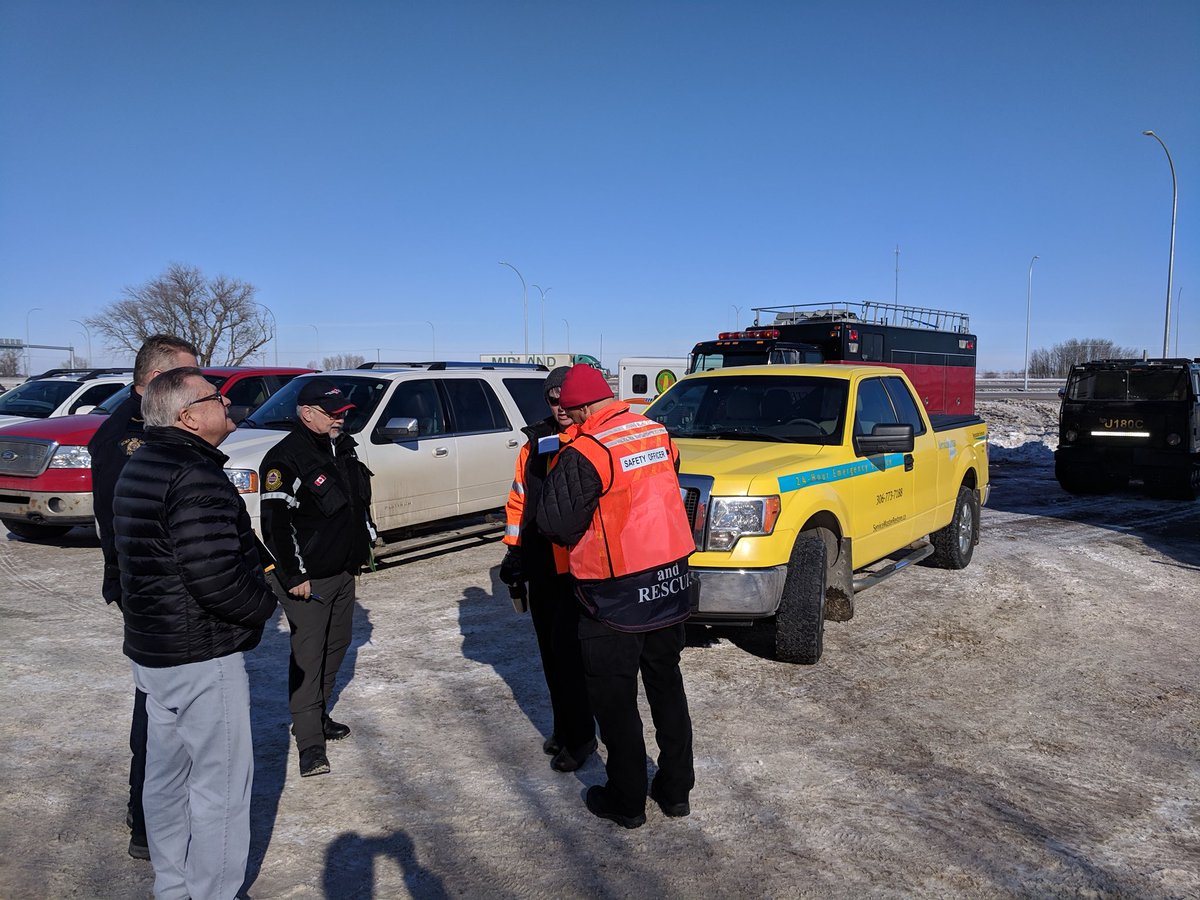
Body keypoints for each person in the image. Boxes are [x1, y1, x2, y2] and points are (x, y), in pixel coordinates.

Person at [114, 367, 277, 899]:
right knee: (221, 787)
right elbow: (214, 574)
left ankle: (174, 887)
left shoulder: (145, 463)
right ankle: (212, 892)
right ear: (188, 417)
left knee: (166, 778)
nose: (226, 405)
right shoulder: (193, 473)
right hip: (199, 653)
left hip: (156, 650)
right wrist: (262, 609)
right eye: (216, 398)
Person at [535, 364, 698, 828]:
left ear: (584, 406)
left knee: (615, 701)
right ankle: (675, 789)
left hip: (615, 593)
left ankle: (626, 799)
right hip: (668, 582)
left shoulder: (588, 449)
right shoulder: (656, 432)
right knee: (667, 686)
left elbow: (556, 525)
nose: (567, 419)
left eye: (570, 411)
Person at [88, 334, 199, 860]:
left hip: (164, 588)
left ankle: (162, 815)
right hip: (151, 591)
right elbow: (130, 527)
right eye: (187, 376)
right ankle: (147, 822)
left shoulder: (152, 424)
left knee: (174, 707)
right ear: (156, 380)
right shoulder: (125, 436)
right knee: (158, 709)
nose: (199, 387)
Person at [259, 379, 375, 778]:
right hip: (308, 579)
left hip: (342, 570)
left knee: (337, 646)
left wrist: (365, 541)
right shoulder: (284, 459)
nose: (341, 418)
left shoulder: (342, 448)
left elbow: (355, 506)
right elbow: (274, 525)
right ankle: (310, 743)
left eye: (343, 412)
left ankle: (317, 714)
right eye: (333, 413)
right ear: (307, 414)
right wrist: (293, 575)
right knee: (309, 656)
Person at [498, 366, 596, 772]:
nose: (559, 408)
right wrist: (514, 550)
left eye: (565, 400)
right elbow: (520, 499)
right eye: (552, 401)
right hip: (542, 563)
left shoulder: (590, 439)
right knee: (551, 655)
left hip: (578, 567)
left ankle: (582, 738)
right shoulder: (535, 443)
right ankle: (564, 726)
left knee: (573, 657)